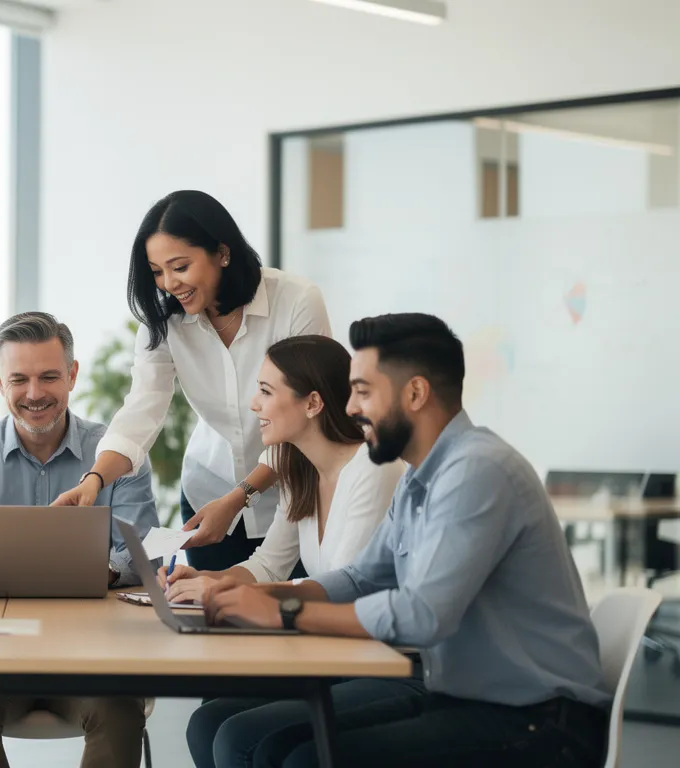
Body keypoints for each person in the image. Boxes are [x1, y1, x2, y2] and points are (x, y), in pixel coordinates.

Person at [199, 313, 611, 768]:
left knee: (304, 760)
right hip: (465, 698)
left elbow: (423, 614)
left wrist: (284, 610)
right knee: (276, 747)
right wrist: (249, 594)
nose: (351, 407)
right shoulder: (421, 477)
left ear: (414, 393)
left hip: (540, 724)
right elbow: (360, 578)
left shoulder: (477, 470)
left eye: (363, 392)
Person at [0, 311, 156, 768]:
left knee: (120, 706)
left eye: (49, 377)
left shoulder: (118, 457)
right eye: (19, 379)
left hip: (94, 657)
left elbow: (141, 555)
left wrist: (99, 570)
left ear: (73, 375)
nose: (35, 394)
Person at [53, 190, 331, 572]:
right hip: (209, 495)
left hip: (292, 494)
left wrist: (240, 497)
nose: (168, 283)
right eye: (156, 272)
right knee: (210, 615)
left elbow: (305, 420)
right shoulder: (165, 325)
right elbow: (141, 410)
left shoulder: (296, 302)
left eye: (180, 267)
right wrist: (95, 479)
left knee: (288, 613)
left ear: (222, 253)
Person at [161, 335, 403, 768]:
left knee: (240, 737)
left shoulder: (373, 467)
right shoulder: (299, 468)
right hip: (331, 653)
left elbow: (347, 585)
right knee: (205, 722)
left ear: (312, 403)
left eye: (266, 392)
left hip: (379, 658)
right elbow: (268, 564)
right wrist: (206, 581)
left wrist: (234, 598)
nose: (255, 405)